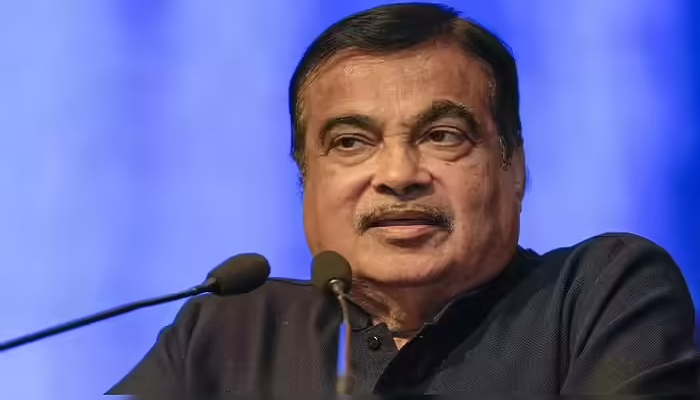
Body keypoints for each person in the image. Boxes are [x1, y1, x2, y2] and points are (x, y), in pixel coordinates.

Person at [108, 2, 699, 395]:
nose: (398, 175)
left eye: (443, 136)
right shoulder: (225, 329)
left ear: (513, 166)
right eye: (350, 142)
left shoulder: (597, 293)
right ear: (306, 177)